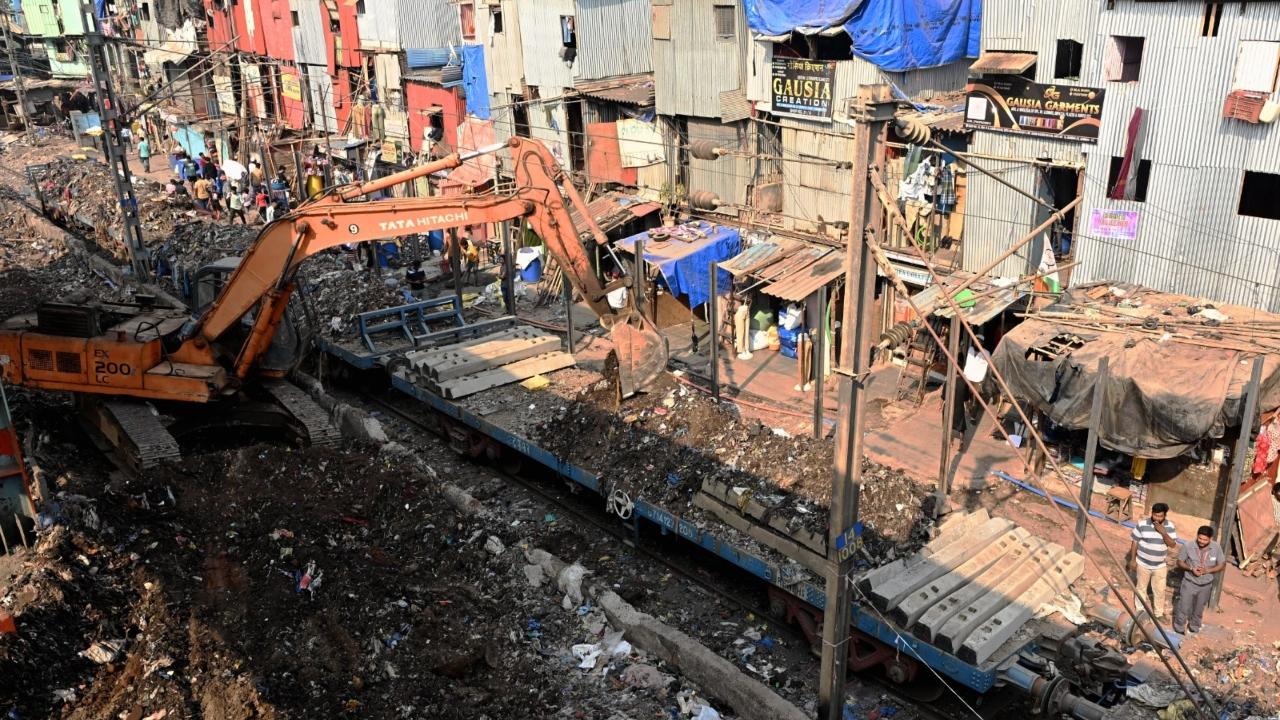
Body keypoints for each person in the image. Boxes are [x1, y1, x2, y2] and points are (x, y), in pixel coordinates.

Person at [1129, 502, 1179, 619]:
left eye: (1160, 516)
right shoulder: (1142, 524)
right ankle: (1140, 611)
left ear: (1165, 516)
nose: (1157, 518)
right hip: (1142, 563)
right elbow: (1135, 541)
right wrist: (1132, 560)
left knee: (1160, 591)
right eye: (1155, 515)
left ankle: (1158, 614)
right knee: (1141, 588)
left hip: (1160, 565)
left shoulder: (1170, 526)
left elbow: (1172, 544)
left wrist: (1163, 532)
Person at [1173, 526, 1226, 634]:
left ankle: (1194, 627)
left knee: (1199, 609)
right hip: (1189, 583)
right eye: (1200, 538)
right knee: (1184, 607)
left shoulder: (1216, 548)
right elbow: (1179, 562)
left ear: (1210, 538)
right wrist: (1191, 569)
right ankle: (1179, 627)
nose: (1201, 541)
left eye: (1205, 540)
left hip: (1206, 585)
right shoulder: (1188, 546)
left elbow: (1222, 565)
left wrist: (1208, 570)